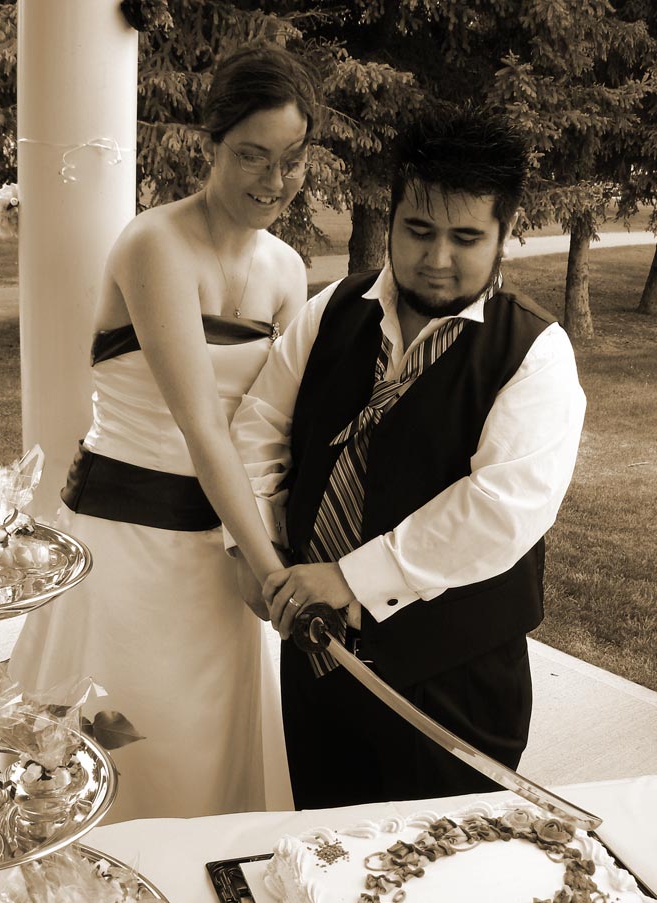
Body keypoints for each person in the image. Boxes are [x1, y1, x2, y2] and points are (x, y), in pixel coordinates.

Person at [229, 104, 587, 810]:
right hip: (317, 663)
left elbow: (500, 510)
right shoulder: (334, 308)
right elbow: (261, 425)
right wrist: (258, 550)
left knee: (444, 862)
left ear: (504, 233)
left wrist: (349, 578)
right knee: (321, 843)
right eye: (419, 230)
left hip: (455, 681)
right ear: (390, 218)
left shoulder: (535, 352)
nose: (438, 258)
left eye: (466, 237)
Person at [9, 42, 320, 821]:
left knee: (207, 760)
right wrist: (273, 569)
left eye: (291, 161)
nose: (273, 180)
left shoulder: (288, 270)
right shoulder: (155, 244)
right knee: (122, 749)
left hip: (221, 554)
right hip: (126, 544)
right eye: (252, 155)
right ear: (212, 143)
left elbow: (272, 432)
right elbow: (203, 428)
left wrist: (256, 554)